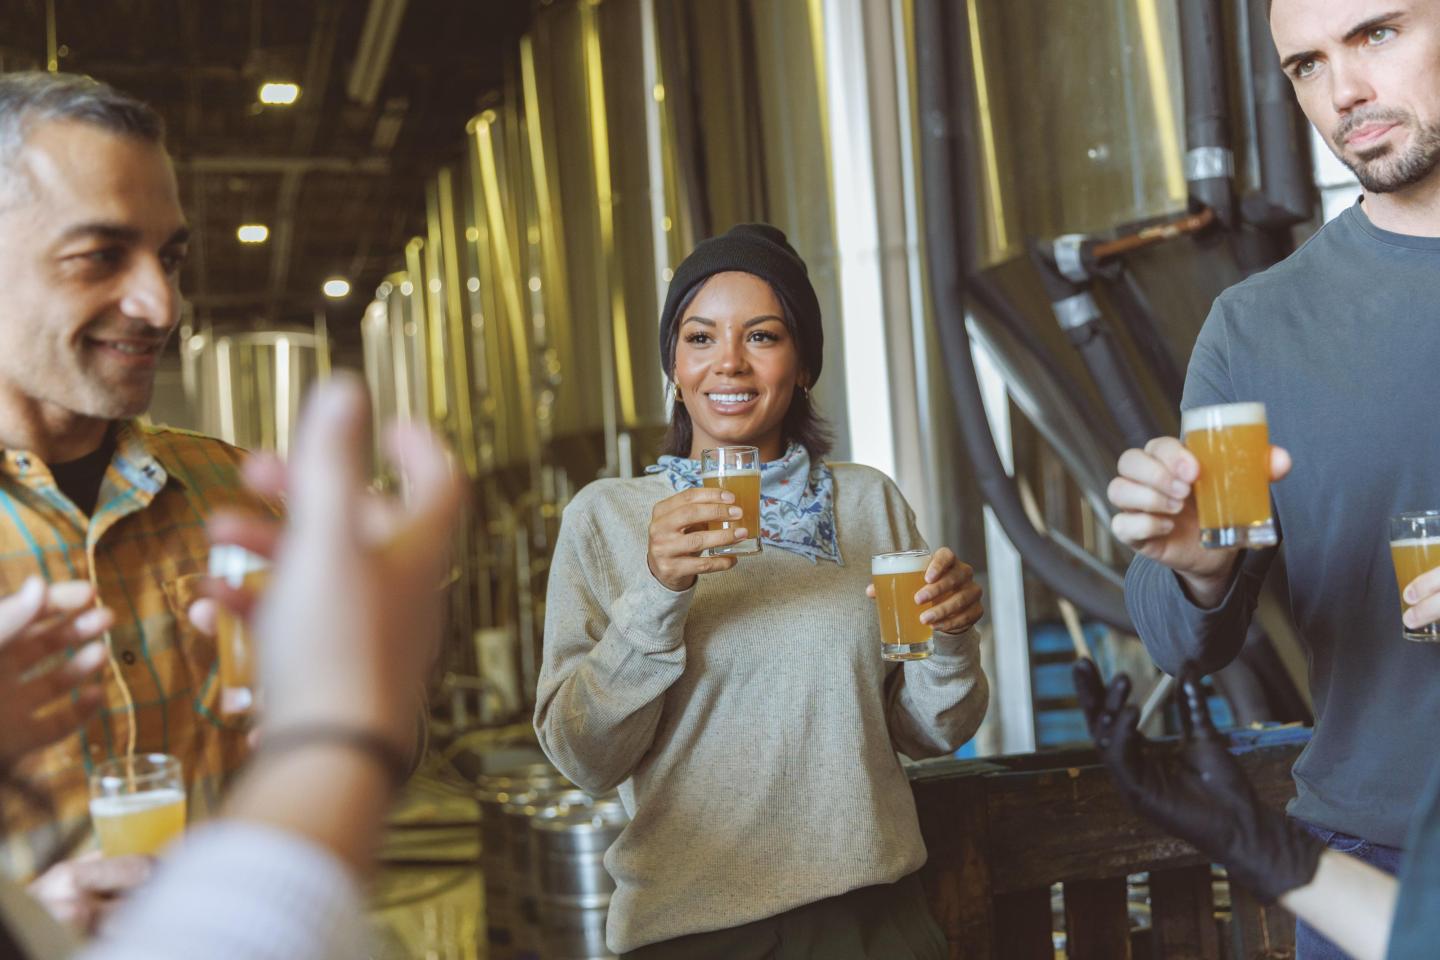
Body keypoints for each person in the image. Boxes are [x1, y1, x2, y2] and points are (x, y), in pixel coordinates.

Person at [535, 223, 988, 958]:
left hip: (873, 921)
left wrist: (952, 639)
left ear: (803, 364)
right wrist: (656, 591)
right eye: (701, 338)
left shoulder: (866, 501)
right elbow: (584, 758)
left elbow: (927, 732)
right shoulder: (607, 518)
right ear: (674, 364)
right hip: (691, 932)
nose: (730, 363)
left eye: (763, 336)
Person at [1106, 0, 1440, 954]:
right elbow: (1183, 643)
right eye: (1306, 65)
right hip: (1366, 864)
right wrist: (1196, 568)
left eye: (1377, 33)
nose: (1345, 91)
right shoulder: (1259, 328)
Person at [0, 374, 465, 959]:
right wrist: (24, 924)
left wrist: (363, 697)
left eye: (171, 281)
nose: (160, 319)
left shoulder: (239, 486)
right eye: (98, 272)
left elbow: (401, 732)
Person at [0, 70, 268, 922]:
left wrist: (363, 712)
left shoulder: (245, 498)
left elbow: (389, 750)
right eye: (100, 256)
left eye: (171, 258)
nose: (162, 305)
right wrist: (24, 926)